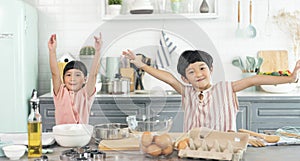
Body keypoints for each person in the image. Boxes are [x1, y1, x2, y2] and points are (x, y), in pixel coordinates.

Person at [122, 49, 300, 132]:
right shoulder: (187, 92)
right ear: (185, 78)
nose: (198, 74)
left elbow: (256, 79)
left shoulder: (226, 89)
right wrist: (141, 65)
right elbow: (168, 77)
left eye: (202, 68)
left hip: (224, 151)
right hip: (193, 150)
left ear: (211, 69)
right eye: (191, 72)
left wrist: (290, 78)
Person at [48, 33, 102, 125]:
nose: (72, 78)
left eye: (77, 75)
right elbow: (55, 74)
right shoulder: (60, 92)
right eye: (68, 75)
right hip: (63, 136)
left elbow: (93, 74)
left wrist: (98, 51)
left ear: (85, 79)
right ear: (63, 79)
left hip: (81, 136)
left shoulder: (86, 94)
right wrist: (52, 51)